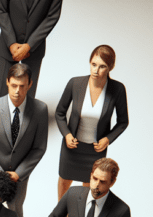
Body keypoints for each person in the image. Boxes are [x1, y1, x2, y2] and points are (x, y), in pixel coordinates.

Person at [0, 63, 47, 217]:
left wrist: (18, 174)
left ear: (30, 84)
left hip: (18, 180)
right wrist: (0, 173)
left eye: (22, 86)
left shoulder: (40, 110)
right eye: (13, 85)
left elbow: (39, 148)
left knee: (15, 215)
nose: (17, 91)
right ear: (7, 82)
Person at [54, 45, 128, 199]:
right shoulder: (75, 83)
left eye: (102, 66)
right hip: (71, 147)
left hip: (95, 151)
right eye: (93, 64)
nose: (96, 70)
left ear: (110, 68)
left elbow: (123, 122)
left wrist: (107, 140)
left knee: (88, 190)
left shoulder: (117, 89)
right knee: (64, 182)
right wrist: (67, 135)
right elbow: (60, 112)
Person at [0, 0, 60, 99]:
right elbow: (1, 9)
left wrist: (29, 45)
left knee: (26, 100)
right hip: (7, 46)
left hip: (34, 49)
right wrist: (11, 43)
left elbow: (52, 16)